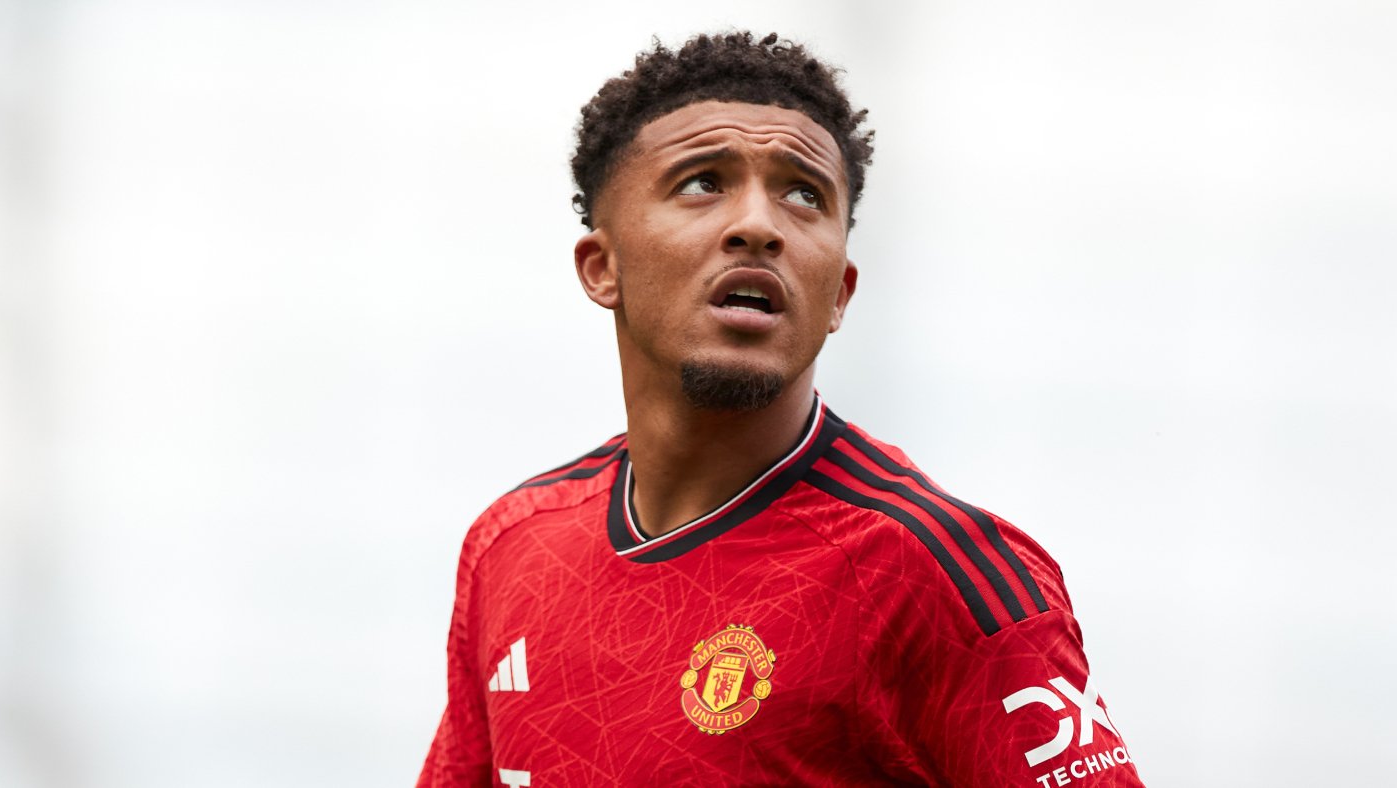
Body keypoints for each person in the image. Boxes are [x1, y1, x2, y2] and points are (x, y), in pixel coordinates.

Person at [419, 31, 1144, 787]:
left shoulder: (930, 573)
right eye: (702, 182)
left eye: (804, 194)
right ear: (603, 268)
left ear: (839, 295)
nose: (760, 225)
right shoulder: (512, 546)